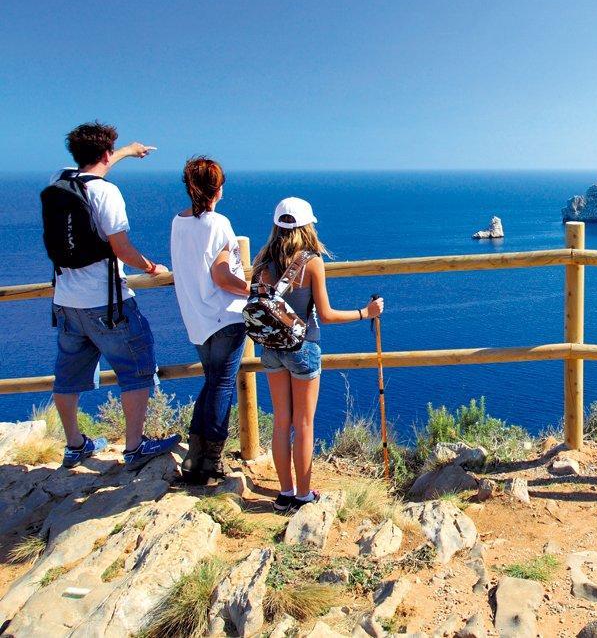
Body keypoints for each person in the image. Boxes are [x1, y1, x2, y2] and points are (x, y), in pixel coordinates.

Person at [46, 122, 180, 470]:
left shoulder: (58, 181)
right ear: (105, 154)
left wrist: (125, 151)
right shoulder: (107, 193)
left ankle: (75, 445)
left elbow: (93, 166)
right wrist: (152, 267)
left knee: (68, 375)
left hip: (65, 301)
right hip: (106, 303)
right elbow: (121, 248)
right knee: (137, 367)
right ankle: (134, 447)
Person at [251, 197, 383, 511]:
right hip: (302, 348)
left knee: (282, 422)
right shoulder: (311, 262)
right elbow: (325, 314)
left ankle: (284, 494)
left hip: (270, 348)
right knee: (305, 423)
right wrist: (366, 312)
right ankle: (303, 495)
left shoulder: (262, 260)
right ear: (306, 226)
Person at [169, 157, 251, 484]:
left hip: (197, 319)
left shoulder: (178, 222)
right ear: (217, 188)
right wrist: (253, 289)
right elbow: (221, 275)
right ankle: (212, 461)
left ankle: (194, 457)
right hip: (227, 316)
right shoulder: (218, 224)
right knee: (221, 385)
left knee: (211, 381)